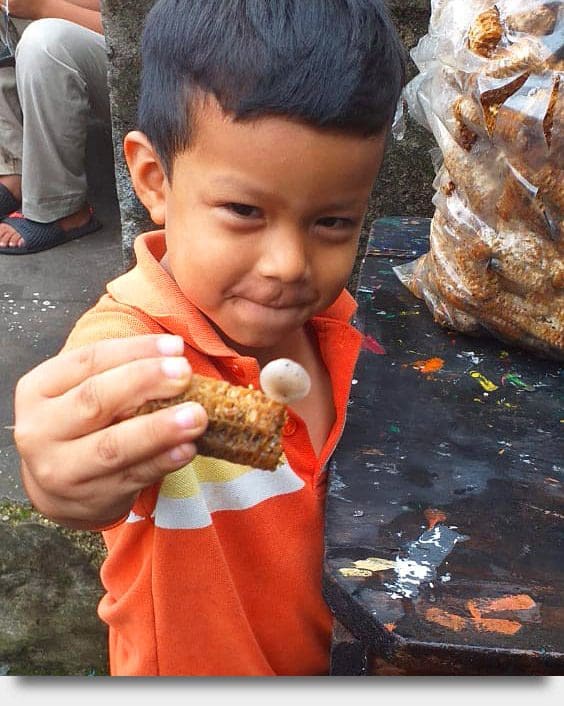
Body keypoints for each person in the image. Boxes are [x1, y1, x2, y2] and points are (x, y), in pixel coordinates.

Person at [13, 0, 406, 676]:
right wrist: (59, 476)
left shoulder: (342, 321)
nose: (289, 263)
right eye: (245, 212)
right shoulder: (139, 343)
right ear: (155, 181)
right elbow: (91, 424)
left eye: (334, 222)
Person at [0, 0, 108, 254]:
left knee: (45, 42)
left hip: (157, 73)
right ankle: (14, 170)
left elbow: (150, 31)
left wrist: (43, 7)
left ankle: (61, 207)